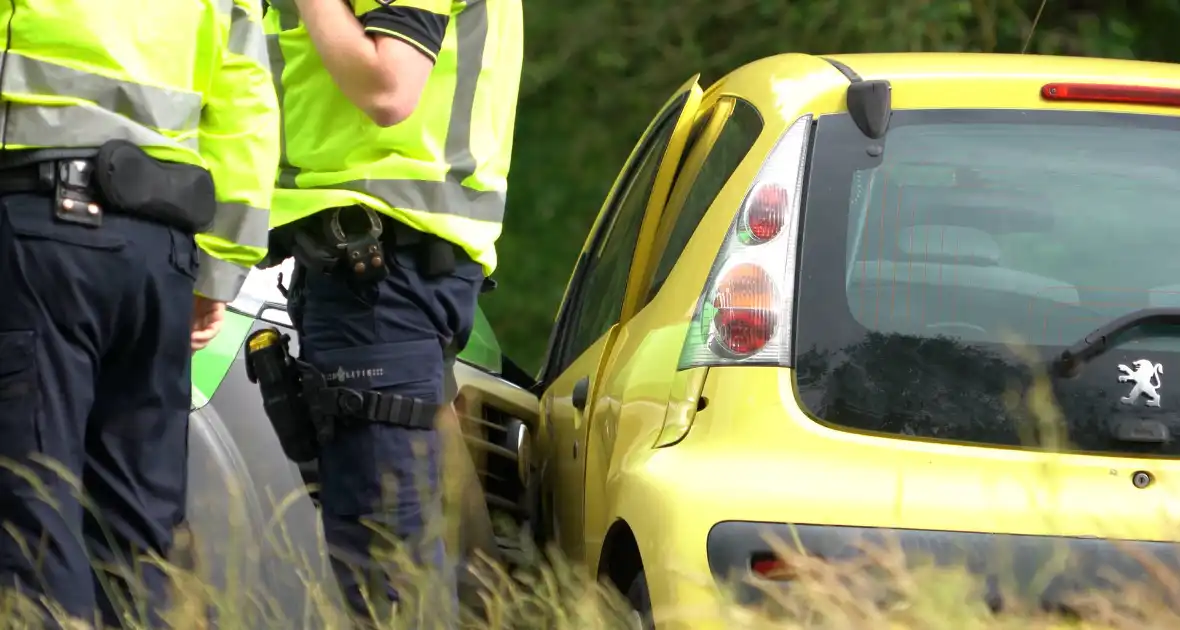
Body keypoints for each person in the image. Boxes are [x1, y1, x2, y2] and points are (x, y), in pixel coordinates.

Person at [0, 1, 279, 627]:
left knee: (32, 515)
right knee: (137, 537)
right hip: (160, 257)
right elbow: (248, 109)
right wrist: (218, 274)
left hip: (40, 231)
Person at [261, 0, 522, 623]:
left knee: (384, 562)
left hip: (380, 274)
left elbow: (389, 87)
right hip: (375, 272)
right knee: (409, 552)